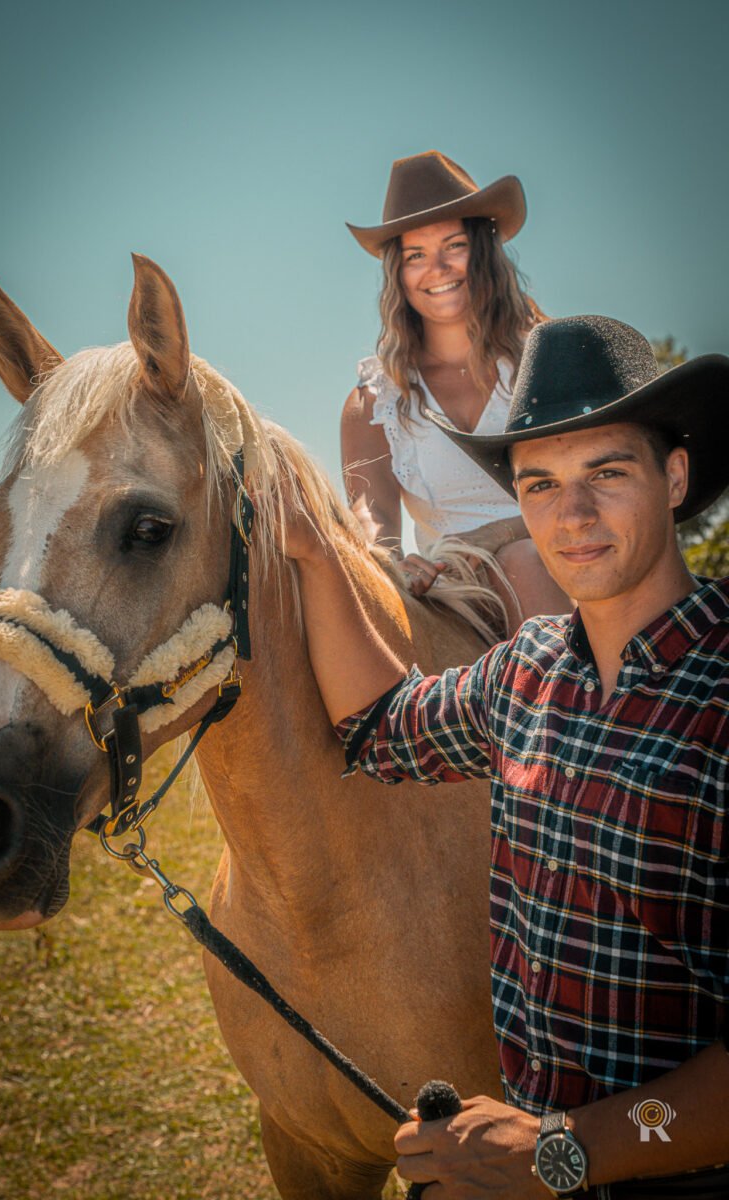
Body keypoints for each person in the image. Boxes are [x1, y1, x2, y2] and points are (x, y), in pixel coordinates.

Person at [284, 315, 729, 1198]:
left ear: (674, 475)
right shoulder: (524, 673)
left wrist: (561, 1150)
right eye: (539, 484)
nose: (572, 515)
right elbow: (379, 725)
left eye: (607, 472)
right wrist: (315, 549)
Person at [342, 149, 569, 626]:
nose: (437, 268)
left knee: (526, 561)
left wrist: (496, 538)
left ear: (483, 251)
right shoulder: (375, 401)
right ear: (398, 275)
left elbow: (583, 487)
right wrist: (394, 563)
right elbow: (372, 520)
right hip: (455, 592)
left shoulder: (547, 360)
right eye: (416, 256)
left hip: (568, 558)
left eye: (454, 246)